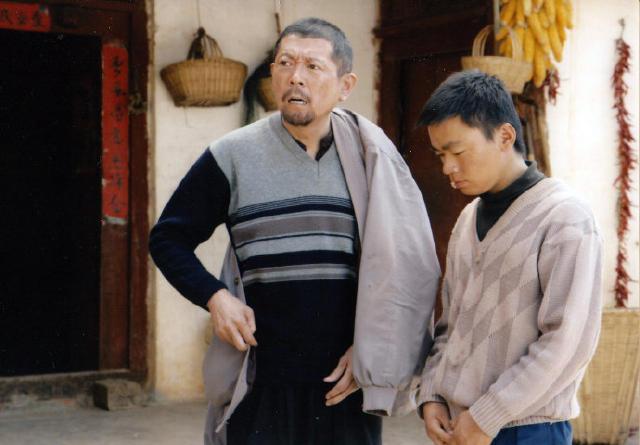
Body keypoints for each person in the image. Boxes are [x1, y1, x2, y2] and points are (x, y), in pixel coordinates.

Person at [149, 17, 441, 445]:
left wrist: (373, 350)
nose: (295, 77)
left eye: (312, 66)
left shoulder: (370, 155)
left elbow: (410, 265)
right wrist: (216, 297)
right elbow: (167, 238)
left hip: (345, 384)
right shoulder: (231, 156)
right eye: (285, 63)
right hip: (258, 381)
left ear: (345, 85)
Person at [416, 70, 603, 445]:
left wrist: (486, 417)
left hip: (530, 430)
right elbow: (450, 325)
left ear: (504, 136)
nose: (447, 167)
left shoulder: (566, 217)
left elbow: (567, 342)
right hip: (460, 426)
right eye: (440, 155)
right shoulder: (467, 219)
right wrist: (432, 394)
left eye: (457, 152)